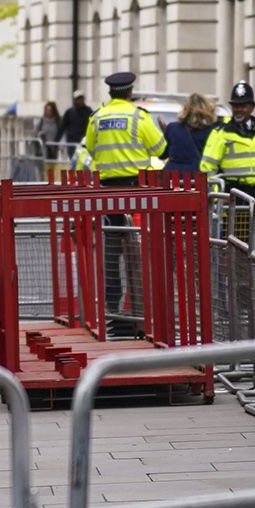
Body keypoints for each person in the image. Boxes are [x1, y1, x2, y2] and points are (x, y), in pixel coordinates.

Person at [78, 71, 167, 338]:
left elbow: (91, 151)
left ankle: (111, 310)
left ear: (110, 93)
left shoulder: (97, 118)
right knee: (138, 256)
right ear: (130, 92)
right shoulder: (140, 117)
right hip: (137, 194)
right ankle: (140, 315)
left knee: (111, 254)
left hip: (107, 195)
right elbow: (161, 150)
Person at [161, 94, 212, 174]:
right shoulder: (211, 131)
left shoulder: (172, 128)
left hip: (171, 177)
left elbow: (163, 154)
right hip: (196, 177)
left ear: (185, 109)